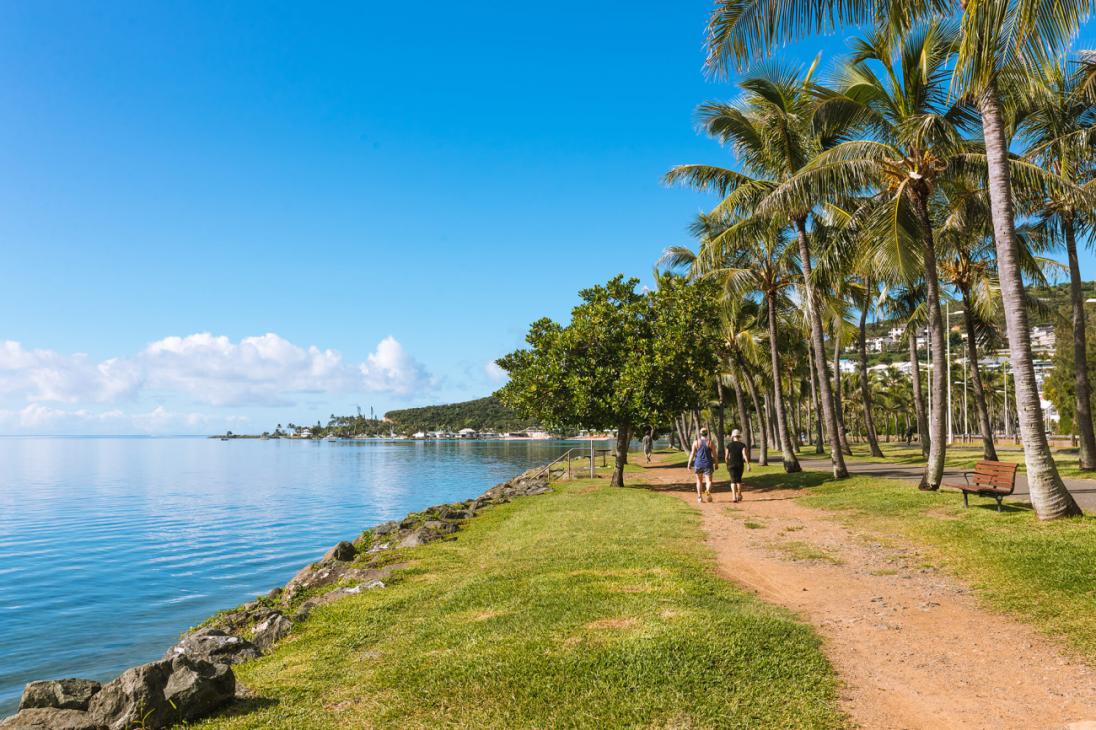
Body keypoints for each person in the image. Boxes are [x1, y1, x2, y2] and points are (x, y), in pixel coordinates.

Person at [687, 427, 717, 503]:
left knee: (699, 481)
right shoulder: (710, 442)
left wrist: (689, 463)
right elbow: (714, 455)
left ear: (700, 434)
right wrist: (716, 463)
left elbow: (692, 454)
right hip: (708, 464)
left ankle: (700, 498)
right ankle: (707, 491)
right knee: (709, 481)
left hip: (698, 464)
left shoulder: (696, 442)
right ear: (707, 433)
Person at [725, 428, 750, 503]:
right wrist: (748, 464)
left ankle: (733, 497)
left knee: (733, 481)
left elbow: (726, 457)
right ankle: (739, 494)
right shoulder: (742, 445)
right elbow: (744, 455)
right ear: (739, 436)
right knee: (738, 480)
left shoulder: (728, 445)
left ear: (732, 437)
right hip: (739, 464)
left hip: (731, 464)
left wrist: (727, 464)